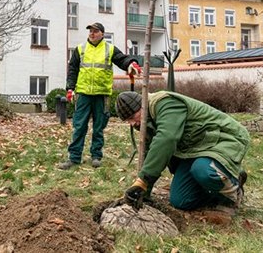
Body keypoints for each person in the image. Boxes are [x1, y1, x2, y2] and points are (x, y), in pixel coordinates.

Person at [115, 90, 249, 211]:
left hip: (221, 140)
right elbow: (151, 152)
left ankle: (232, 191)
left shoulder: (166, 103)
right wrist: (143, 190)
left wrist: (143, 180)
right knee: (180, 201)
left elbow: (166, 139)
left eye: (133, 117)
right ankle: (217, 184)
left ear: (142, 106)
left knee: (203, 170)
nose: (132, 124)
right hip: (194, 150)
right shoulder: (146, 121)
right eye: (128, 121)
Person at [58, 22, 141, 170]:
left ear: (102, 34)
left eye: (95, 31)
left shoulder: (109, 49)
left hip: (102, 94)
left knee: (99, 126)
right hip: (83, 94)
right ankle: (74, 158)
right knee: (79, 126)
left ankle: (96, 156)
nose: (92, 33)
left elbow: (122, 59)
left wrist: (132, 64)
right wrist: (70, 88)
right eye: (90, 31)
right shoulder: (80, 49)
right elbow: (72, 70)